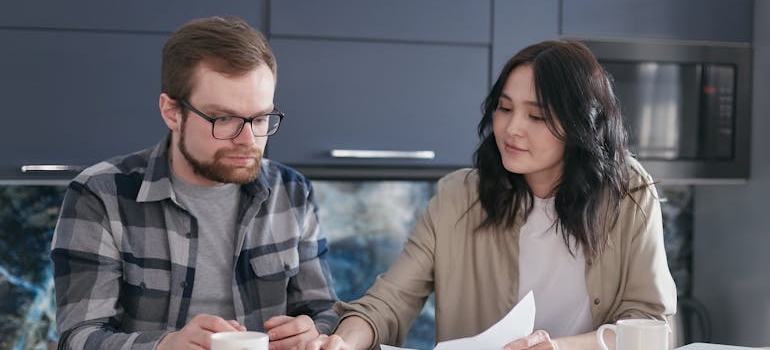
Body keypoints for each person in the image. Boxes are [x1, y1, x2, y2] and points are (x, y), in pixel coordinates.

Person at [302, 40, 677, 350]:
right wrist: (344, 341)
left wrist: (560, 348)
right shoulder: (458, 197)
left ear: (582, 124)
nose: (511, 129)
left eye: (537, 116)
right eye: (504, 108)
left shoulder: (628, 193)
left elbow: (650, 325)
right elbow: (389, 300)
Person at [50, 16, 338, 350]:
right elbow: (79, 337)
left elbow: (323, 310)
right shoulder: (99, 195)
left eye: (260, 119)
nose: (248, 140)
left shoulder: (292, 191)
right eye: (223, 119)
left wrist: (313, 329)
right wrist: (164, 346)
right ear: (172, 112)